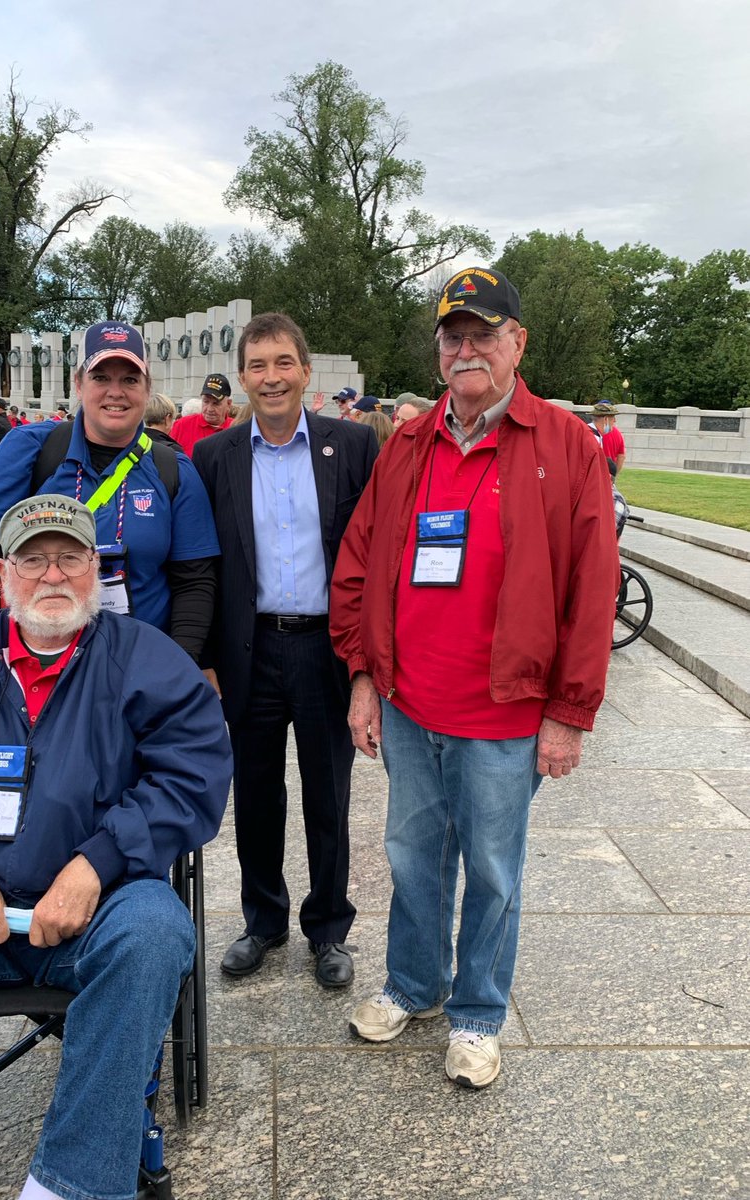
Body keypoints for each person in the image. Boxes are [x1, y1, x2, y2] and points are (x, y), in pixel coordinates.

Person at [0, 494, 231, 1200]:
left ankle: (69, 1186)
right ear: (3, 572)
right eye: (33, 558)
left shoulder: (149, 659)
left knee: (153, 933)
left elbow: (191, 775)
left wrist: (97, 865)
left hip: (99, 910)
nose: (51, 574)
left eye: (69, 557)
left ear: (95, 568)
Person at [331, 267, 620, 1088]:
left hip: (507, 713)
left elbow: (592, 588)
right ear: (438, 355)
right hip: (411, 704)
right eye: (452, 338)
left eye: (482, 336)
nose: (466, 351)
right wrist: (362, 676)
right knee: (413, 857)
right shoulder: (409, 445)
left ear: (515, 344)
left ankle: (477, 1012)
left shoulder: (565, 447)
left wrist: (569, 713)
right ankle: (415, 986)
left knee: (492, 872)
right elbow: (358, 563)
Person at [192, 313, 379, 989]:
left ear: (305, 371)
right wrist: (206, 658)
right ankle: (263, 920)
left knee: (329, 796)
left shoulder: (352, 447)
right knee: (257, 795)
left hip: (325, 648)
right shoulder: (214, 457)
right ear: (243, 376)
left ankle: (328, 928)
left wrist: (368, 663)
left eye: (282, 363)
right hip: (250, 651)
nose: (270, 378)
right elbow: (203, 565)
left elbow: (377, 555)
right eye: (257, 365)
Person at [0, 321, 220, 663]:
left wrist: (180, 669)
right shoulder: (31, 448)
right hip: (35, 668)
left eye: (130, 379)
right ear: (78, 383)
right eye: (100, 377)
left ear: (147, 389)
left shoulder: (173, 468)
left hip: (136, 668)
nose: (115, 392)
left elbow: (195, 580)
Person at [171, 373, 233, 456]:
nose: (209, 409)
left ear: (228, 404)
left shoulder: (236, 428)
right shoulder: (181, 425)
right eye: (206, 401)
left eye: (216, 403)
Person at [591, 401, 626, 472]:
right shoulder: (590, 435)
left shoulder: (591, 433)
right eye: (613, 417)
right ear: (605, 419)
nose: (615, 421)